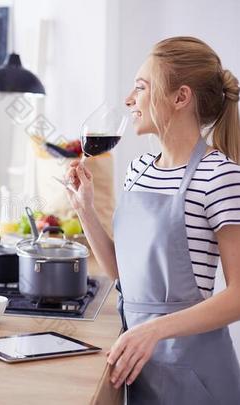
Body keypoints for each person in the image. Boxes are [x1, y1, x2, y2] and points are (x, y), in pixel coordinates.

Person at [65, 36, 240, 404]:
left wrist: (154, 331)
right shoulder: (138, 170)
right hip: (141, 363)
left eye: (141, 87)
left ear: (180, 97)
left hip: (196, 372)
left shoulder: (218, 175)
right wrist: (85, 209)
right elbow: (122, 274)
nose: (129, 99)